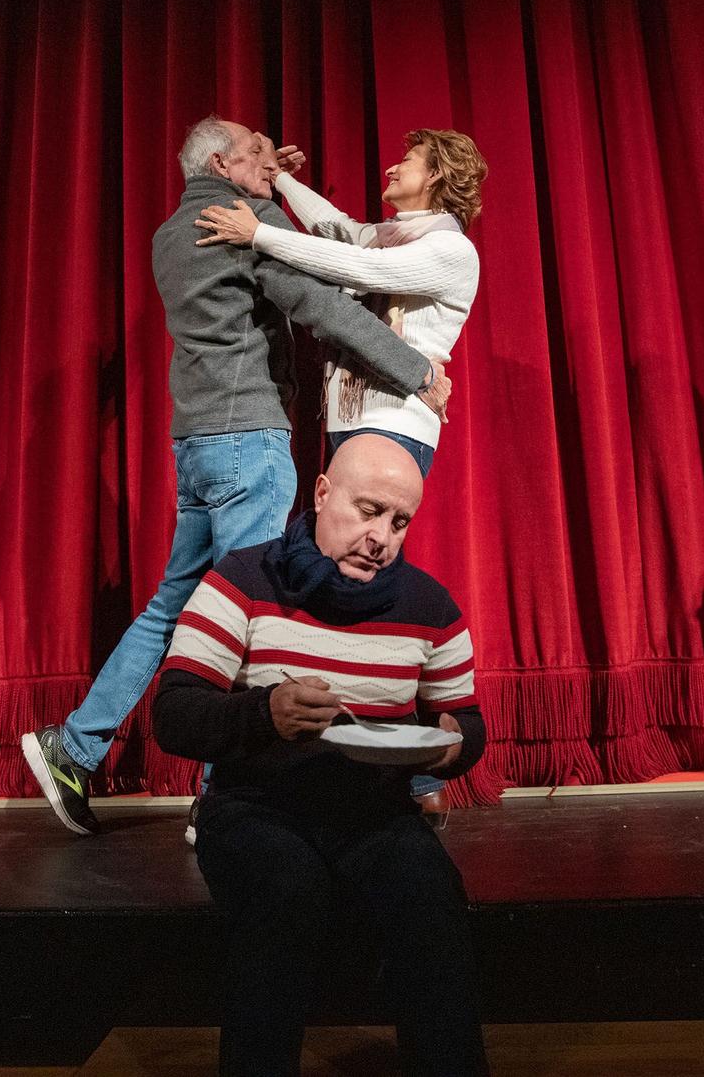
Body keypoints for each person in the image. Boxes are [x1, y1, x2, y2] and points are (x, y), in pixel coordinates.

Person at [21, 117, 452, 836]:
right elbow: (316, 301)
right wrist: (414, 371)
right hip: (249, 442)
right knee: (254, 614)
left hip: (194, 443)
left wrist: (274, 179)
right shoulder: (245, 218)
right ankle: (222, 797)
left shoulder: (167, 234)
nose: (267, 161)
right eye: (254, 154)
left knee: (174, 605)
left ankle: (76, 744)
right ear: (221, 162)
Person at [153, 433, 489, 1077]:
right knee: (286, 888)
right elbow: (173, 715)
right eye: (367, 511)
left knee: (431, 892)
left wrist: (453, 748)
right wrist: (264, 712)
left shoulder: (429, 606)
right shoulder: (242, 580)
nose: (381, 537)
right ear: (322, 493)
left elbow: (464, 722)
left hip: (373, 813)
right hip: (255, 808)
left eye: (398, 522)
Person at [196, 129, 485, 824]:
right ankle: (364, 767)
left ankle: (406, 778)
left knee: (371, 579)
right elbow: (345, 234)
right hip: (353, 422)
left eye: (410, 158)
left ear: (439, 176)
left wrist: (256, 233)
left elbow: (342, 260)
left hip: (397, 428)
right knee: (347, 587)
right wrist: (281, 182)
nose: (394, 162)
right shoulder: (392, 236)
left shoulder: (449, 251)